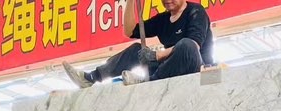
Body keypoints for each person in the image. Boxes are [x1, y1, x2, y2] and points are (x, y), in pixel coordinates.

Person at [63, 0, 214, 87]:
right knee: (137, 49)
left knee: (186, 45)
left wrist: (156, 55)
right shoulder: (163, 20)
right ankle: (91, 77)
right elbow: (129, 31)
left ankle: (149, 80)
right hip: (168, 70)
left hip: (198, 69)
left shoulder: (196, 11)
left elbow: (194, 44)